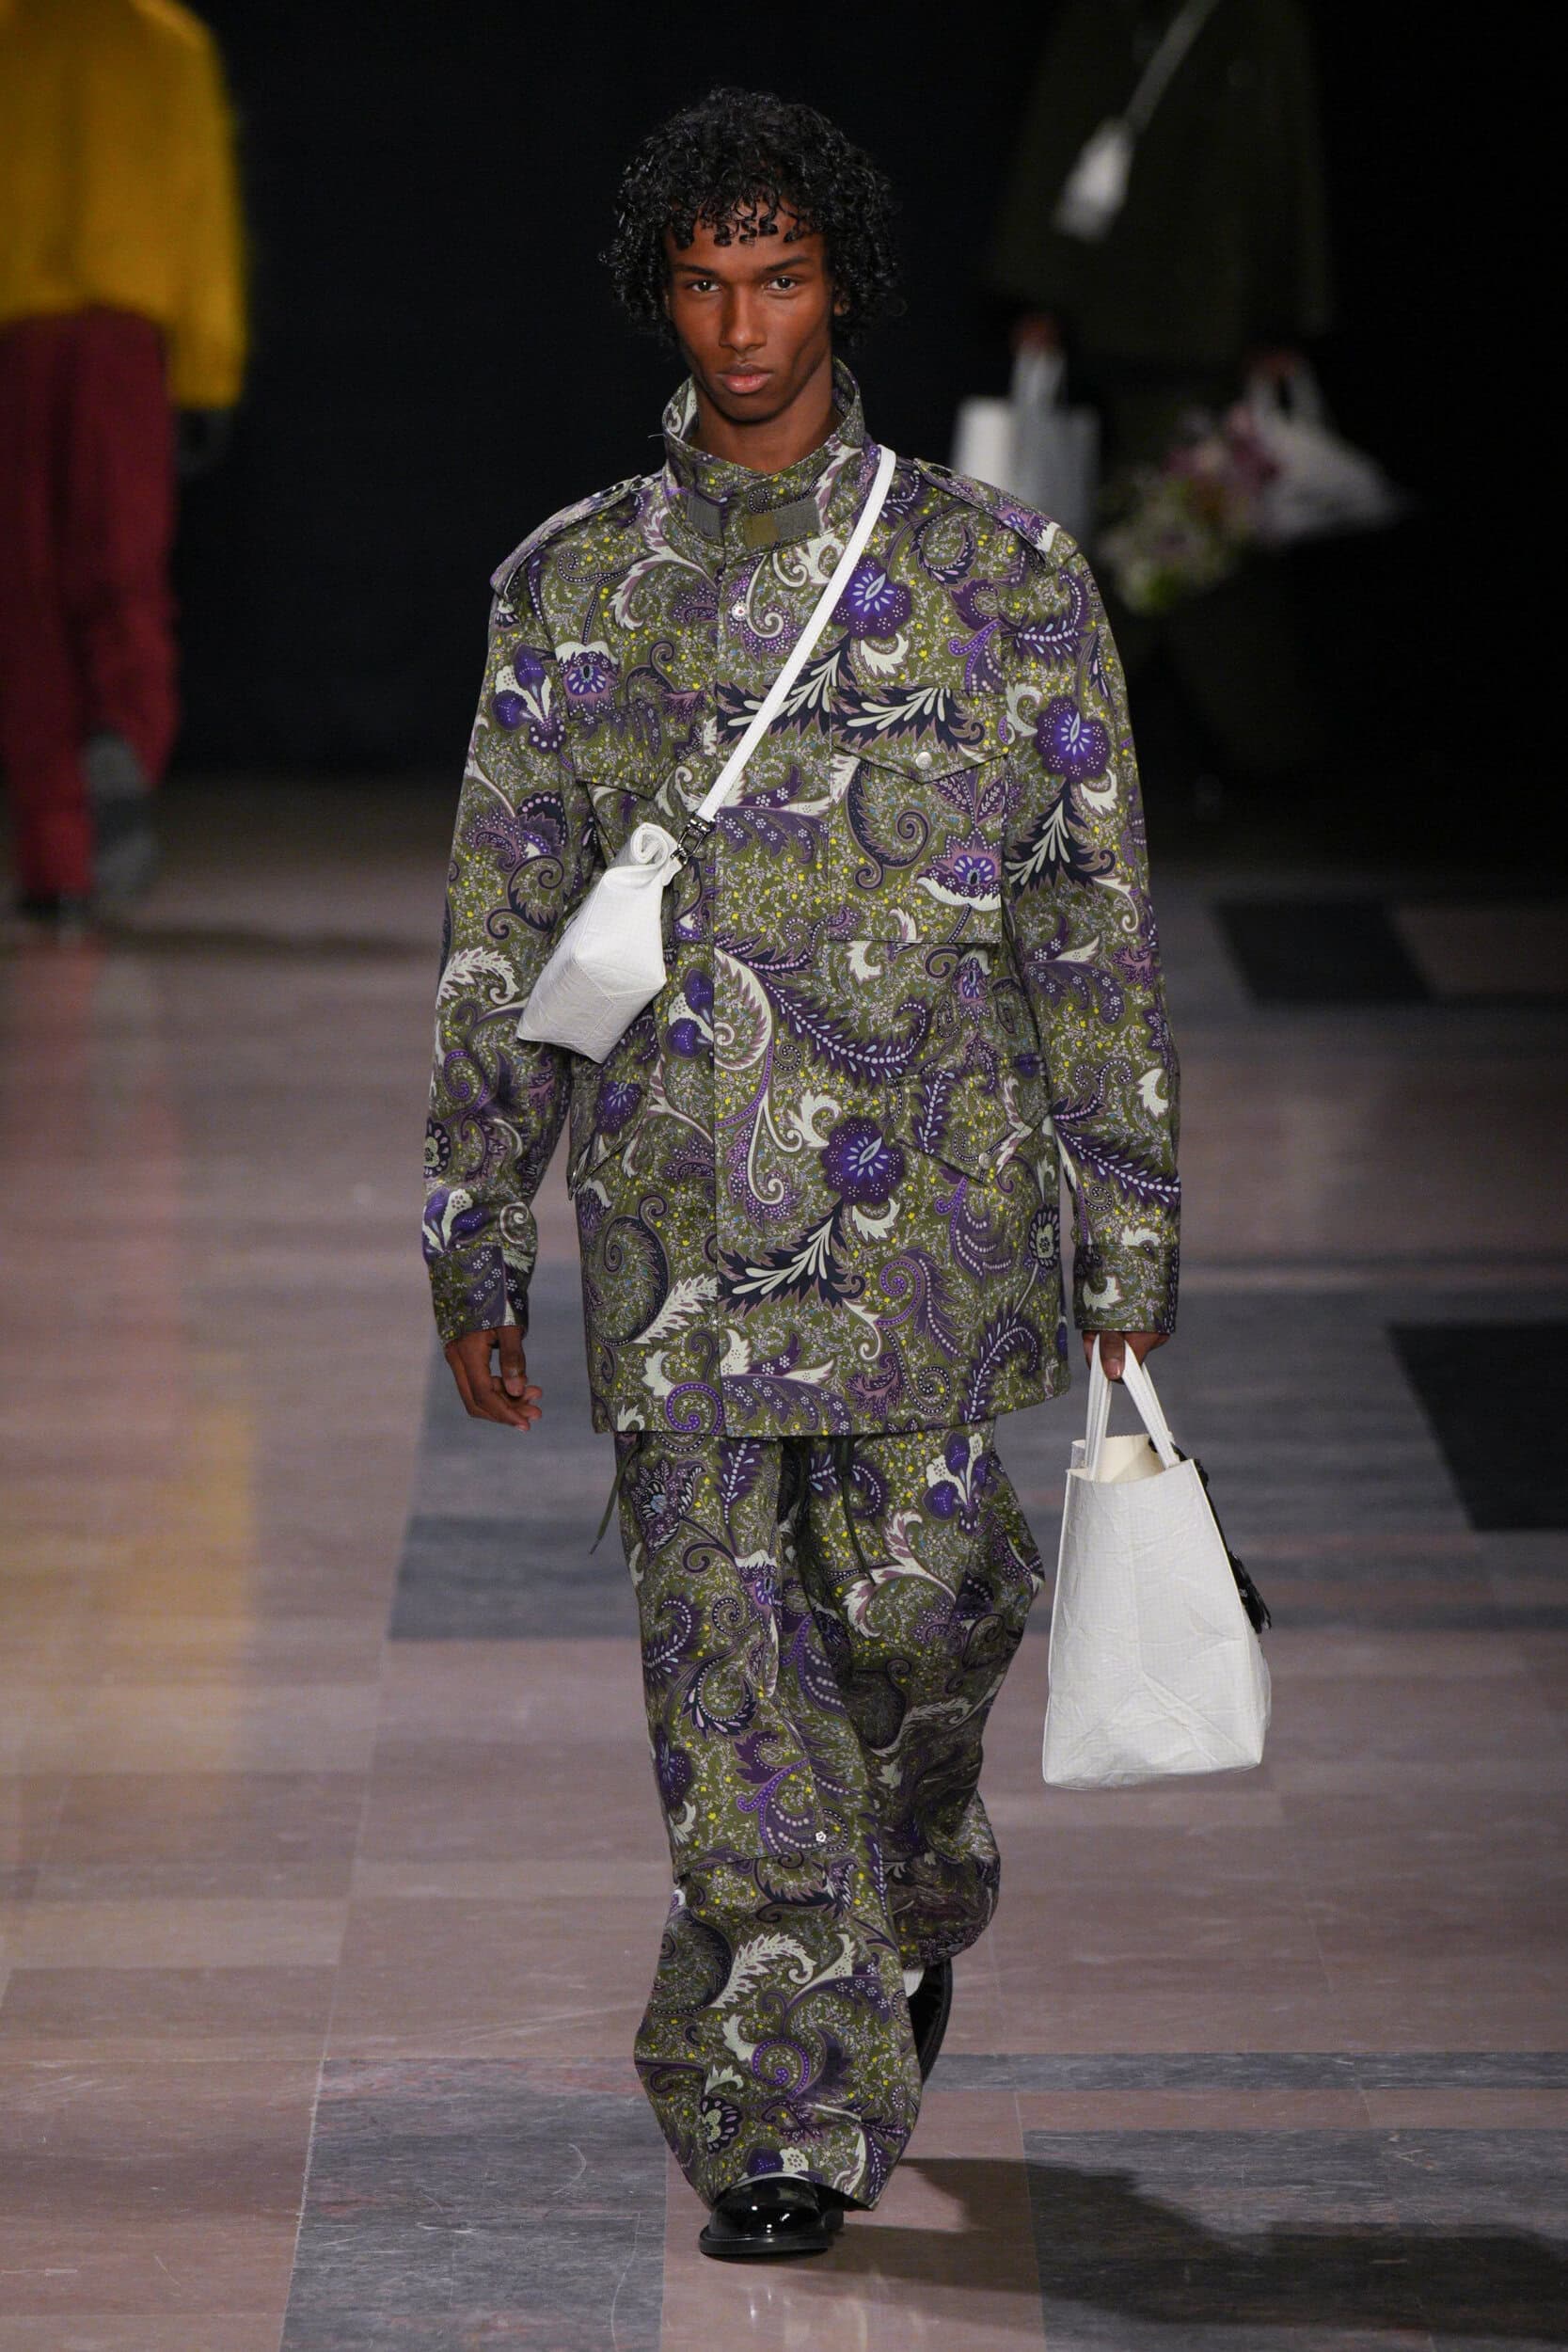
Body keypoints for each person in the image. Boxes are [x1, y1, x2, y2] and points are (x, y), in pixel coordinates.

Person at [422, 87, 1180, 2262]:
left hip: (930, 1232)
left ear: (840, 286)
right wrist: (475, 1224)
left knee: (928, 1625)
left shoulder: (996, 578)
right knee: (729, 1681)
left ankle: (904, 1885)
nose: (741, 325)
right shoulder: (577, 589)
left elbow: (1085, 922)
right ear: (659, 297)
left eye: (777, 278)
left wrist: (1125, 1222)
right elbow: (510, 937)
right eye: (703, 282)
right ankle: (780, 2103)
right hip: (676, 1235)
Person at [989, 0, 1331, 796]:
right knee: (1176, 533)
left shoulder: (1250, 21)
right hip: (1158, 306)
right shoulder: (1128, 18)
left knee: (1174, 532)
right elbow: (1065, 127)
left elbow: (1280, 160)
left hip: (1184, 309)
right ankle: (1250, 747)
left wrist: (1283, 313)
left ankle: (1061, 737)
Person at [0, 0, 246, 925]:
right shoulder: (165, 42)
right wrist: (208, 369)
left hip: (18, 337)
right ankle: (125, 738)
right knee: (121, 575)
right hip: (124, 343)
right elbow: (200, 208)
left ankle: (55, 861)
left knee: (26, 596)